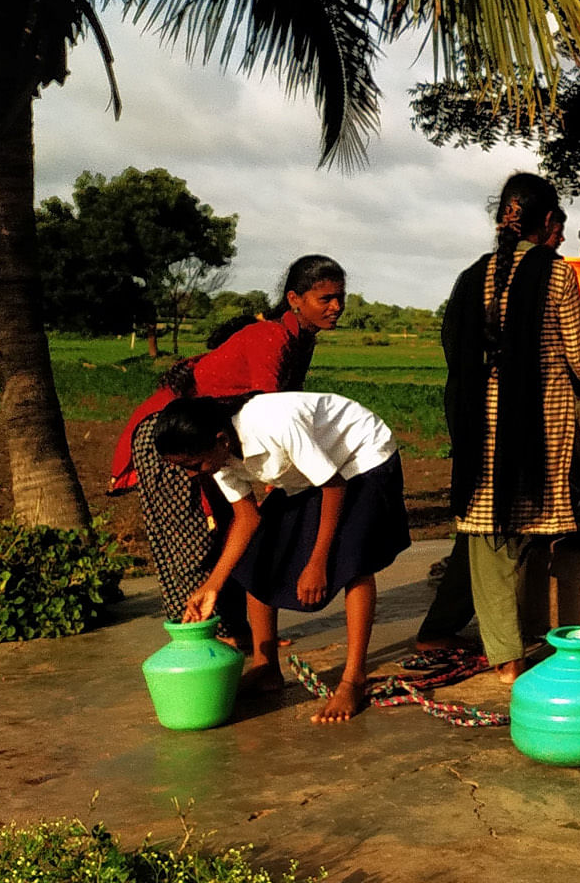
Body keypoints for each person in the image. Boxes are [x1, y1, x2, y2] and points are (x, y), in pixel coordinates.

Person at [110, 255, 346, 639]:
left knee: (229, 532)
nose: (336, 307)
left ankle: (236, 630)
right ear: (294, 299)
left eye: (340, 298)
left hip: (213, 438)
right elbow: (270, 406)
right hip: (177, 436)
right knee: (192, 543)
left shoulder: (299, 340)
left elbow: (287, 407)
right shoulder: (272, 337)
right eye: (325, 299)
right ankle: (196, 636)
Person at [441, 174, 580, 682]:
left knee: (489, 535)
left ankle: (508, 654)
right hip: (541, 418)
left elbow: (453, 345)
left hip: (481, 421)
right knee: (525, 530)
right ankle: (528, 641)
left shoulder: (474, 274)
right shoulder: (558, 275)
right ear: (545, 221)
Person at [153, 391, 409, 724]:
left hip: (362, 457)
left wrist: (316, 563)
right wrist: (211, 586)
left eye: (193, 465)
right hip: (312, 477)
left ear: (219, 441)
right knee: (257, 555)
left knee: (353, 559)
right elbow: (247, 519)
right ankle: (266, 667)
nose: (192, 474)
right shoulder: (219, 458)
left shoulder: (273, 423)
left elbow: (333, 486)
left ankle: (353, 679)